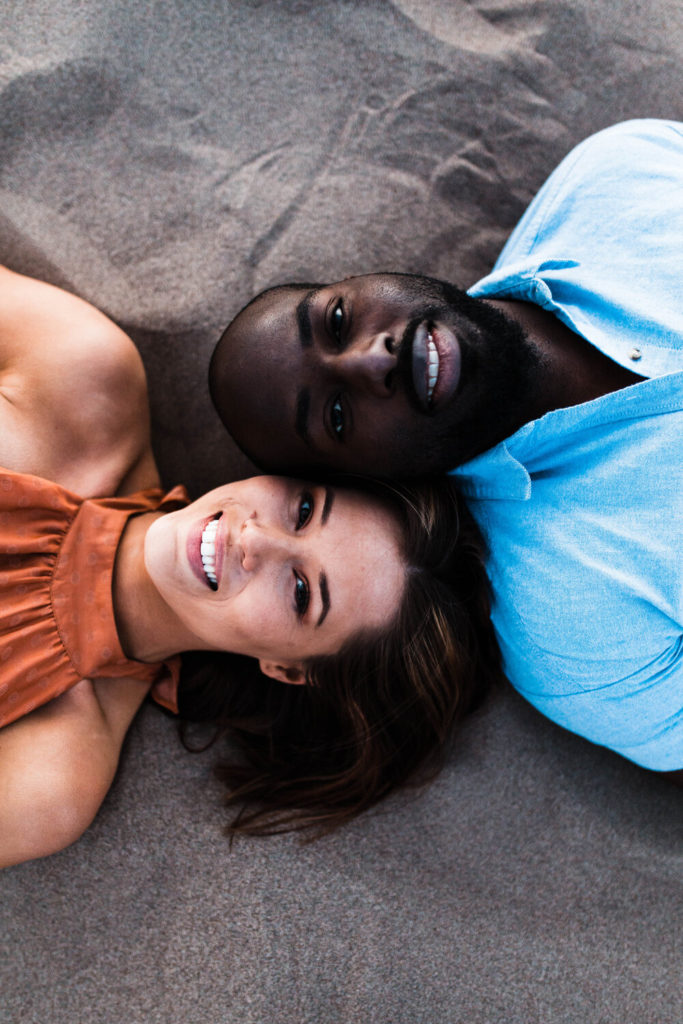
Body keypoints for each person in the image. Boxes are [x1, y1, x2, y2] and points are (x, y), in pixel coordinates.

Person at [210, 118, 683, 778]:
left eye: (337, 321)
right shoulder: (572, 627)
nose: (369, 359)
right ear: (372, 480)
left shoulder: (617, 177)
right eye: (337, 416)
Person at [0, 266, 500, 870]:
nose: (255, 539)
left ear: (288, 670)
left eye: (299, 593)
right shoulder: (85, 376)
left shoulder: (52, 774)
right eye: (305, 508)